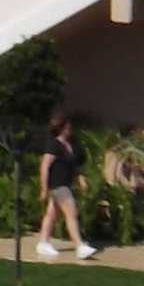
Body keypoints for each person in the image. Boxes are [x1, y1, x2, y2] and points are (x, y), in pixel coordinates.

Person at [35, 111, 98, 260]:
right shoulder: (54, 144)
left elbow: (72, 166)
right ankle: (79, 246)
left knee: (52, 214)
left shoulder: (69, 145)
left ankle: (43, 243)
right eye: (68, 127)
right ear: (61, 128)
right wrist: (43, 188)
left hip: (66, 184)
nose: (70, 129)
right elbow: (45, 166)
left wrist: (80, 179)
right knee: (71, 213)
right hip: (58, 185)